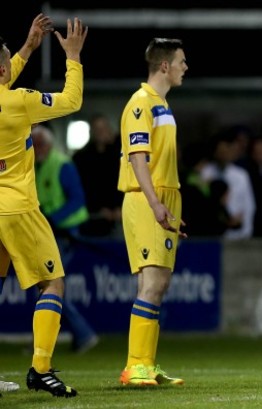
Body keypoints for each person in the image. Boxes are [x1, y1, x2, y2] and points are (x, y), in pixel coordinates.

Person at [0, 13, 87, 398]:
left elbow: (4, 74)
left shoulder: (9, 94)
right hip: (17, 208)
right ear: (4, 70)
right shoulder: (19, 102)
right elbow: (71, 100)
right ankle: (41, 368)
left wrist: (27, 48)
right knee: (53, 282)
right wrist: (72, 56)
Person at [117, 37, 188, 387]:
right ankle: (135, 366)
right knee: (153, 283)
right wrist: (156, 203)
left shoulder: (160, 104)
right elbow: (137, 158)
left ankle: (145, 363)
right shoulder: (141, 103)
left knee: (154, 284)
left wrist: (169, 204)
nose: (185, 67)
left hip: (162, 197)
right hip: (147, 198)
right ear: (165, 65)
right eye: (181, 61)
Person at [31, 124, 100, 354]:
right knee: (50, 284)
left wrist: (53, 219)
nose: (36, 148)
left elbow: (77, 200)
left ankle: (82, 333)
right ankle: (80, 335)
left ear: (49, 144)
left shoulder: (61, 165)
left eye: (39, 144)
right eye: (34, 144)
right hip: (51, 233)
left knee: (49, 284)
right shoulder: (37, 165)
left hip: (65, 232)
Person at [72, 113, 123, 237]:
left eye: (104, 128)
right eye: (97, 129)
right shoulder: (81, 158)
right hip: (94, 216)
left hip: (120, 214)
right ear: (91, 132)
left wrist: (121, 207)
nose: (101, 132)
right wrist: (97, 208)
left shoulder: (120, 155)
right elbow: (81, 188)